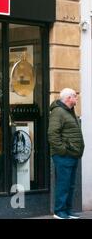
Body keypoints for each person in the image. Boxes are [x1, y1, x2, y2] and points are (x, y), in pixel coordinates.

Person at [47, 88, 85, 219]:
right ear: (68, 98)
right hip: (64, 155)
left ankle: (68, 210)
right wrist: (63, 150)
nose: (76, 98)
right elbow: (52, 134)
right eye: (75, 96)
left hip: (73, 155)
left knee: (70, 184)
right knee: (63, 184)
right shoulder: (58, 112)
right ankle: (59, 211)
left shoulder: (69, 111)